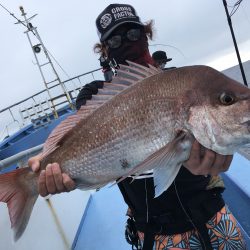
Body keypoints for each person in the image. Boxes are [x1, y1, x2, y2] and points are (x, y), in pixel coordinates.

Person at [29, 4, 246, 250]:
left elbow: (206, 137)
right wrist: (47, 158)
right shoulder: (94, 94)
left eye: (133, 34)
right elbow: (78, 132)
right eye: (115, 40)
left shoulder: (181, 83)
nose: (126, 43)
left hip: (212, 216)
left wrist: (221, 153)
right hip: (155, 234)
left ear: (146, 35)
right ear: (105, 50)